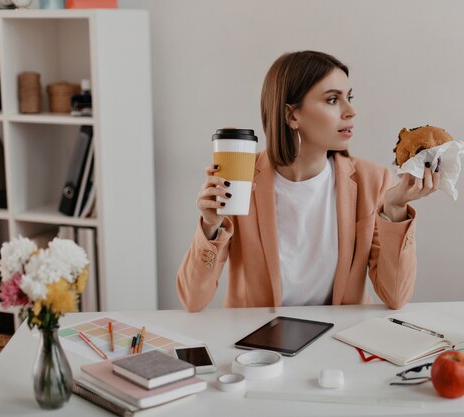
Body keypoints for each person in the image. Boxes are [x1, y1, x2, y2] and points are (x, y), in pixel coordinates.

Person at [177, 50, 441, 312]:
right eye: (332, 100)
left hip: (338, 340)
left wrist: (394, 210)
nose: (351, 111)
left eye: (348, 98)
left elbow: (395, 297)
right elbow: (192, 299)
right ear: (292, 116)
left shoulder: (372, 180)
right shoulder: (240, 179)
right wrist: (210, 227)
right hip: (258, 342)